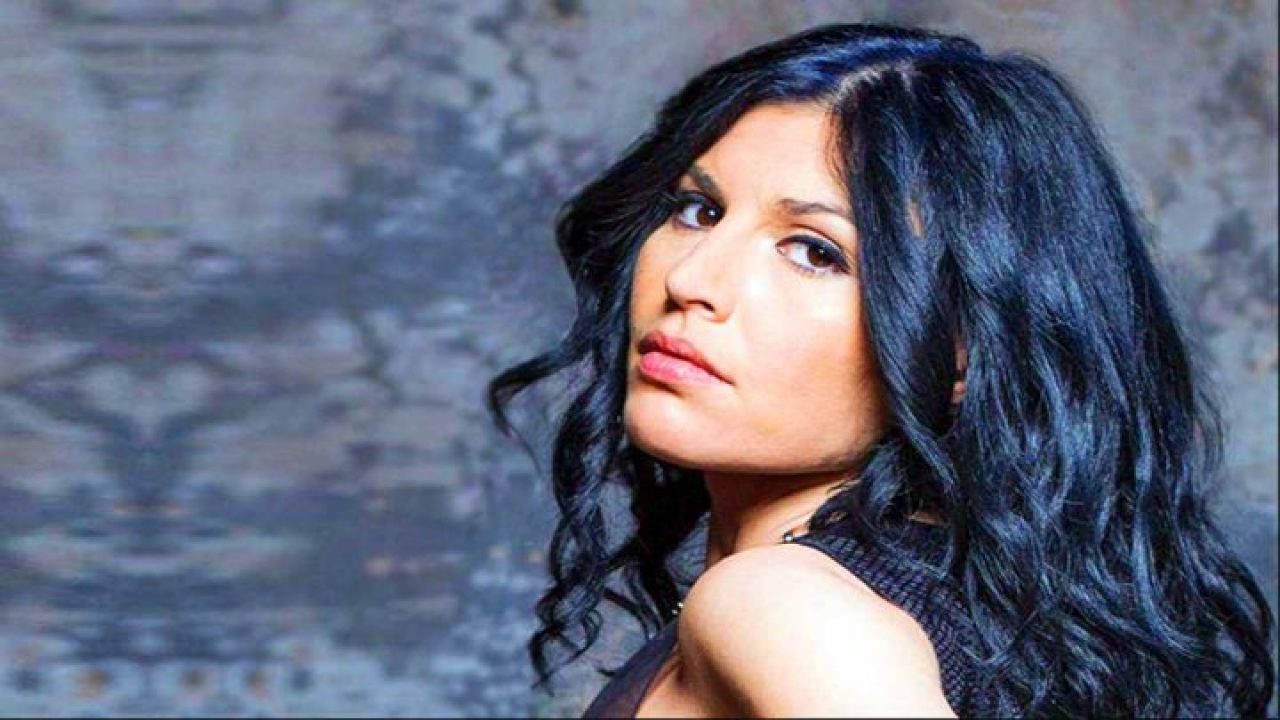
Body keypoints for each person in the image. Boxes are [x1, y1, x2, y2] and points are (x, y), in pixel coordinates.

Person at [486, 22, 1275, 718]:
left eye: (814, 252)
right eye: (699, 210)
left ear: (963, 355)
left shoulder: (780, 607)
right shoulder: (889, 599)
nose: (693, 279)